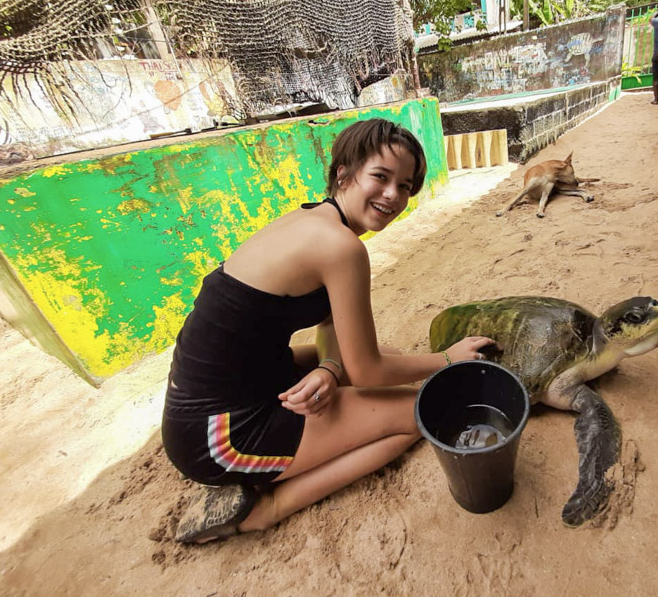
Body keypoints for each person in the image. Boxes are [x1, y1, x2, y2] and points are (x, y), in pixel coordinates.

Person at [162, 119, 497, 543]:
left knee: (386, 353)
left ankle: (294, 440)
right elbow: (370, 373)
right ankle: (266, 509)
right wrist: (449, 359)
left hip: (233, 393)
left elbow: (331, 330)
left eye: (406, 186)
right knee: (419, 412)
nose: (393, 194)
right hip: (217, 436)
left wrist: (330, 369)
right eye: (381, 176)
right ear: (344, 173)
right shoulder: (341, 248)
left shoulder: (313, 220)